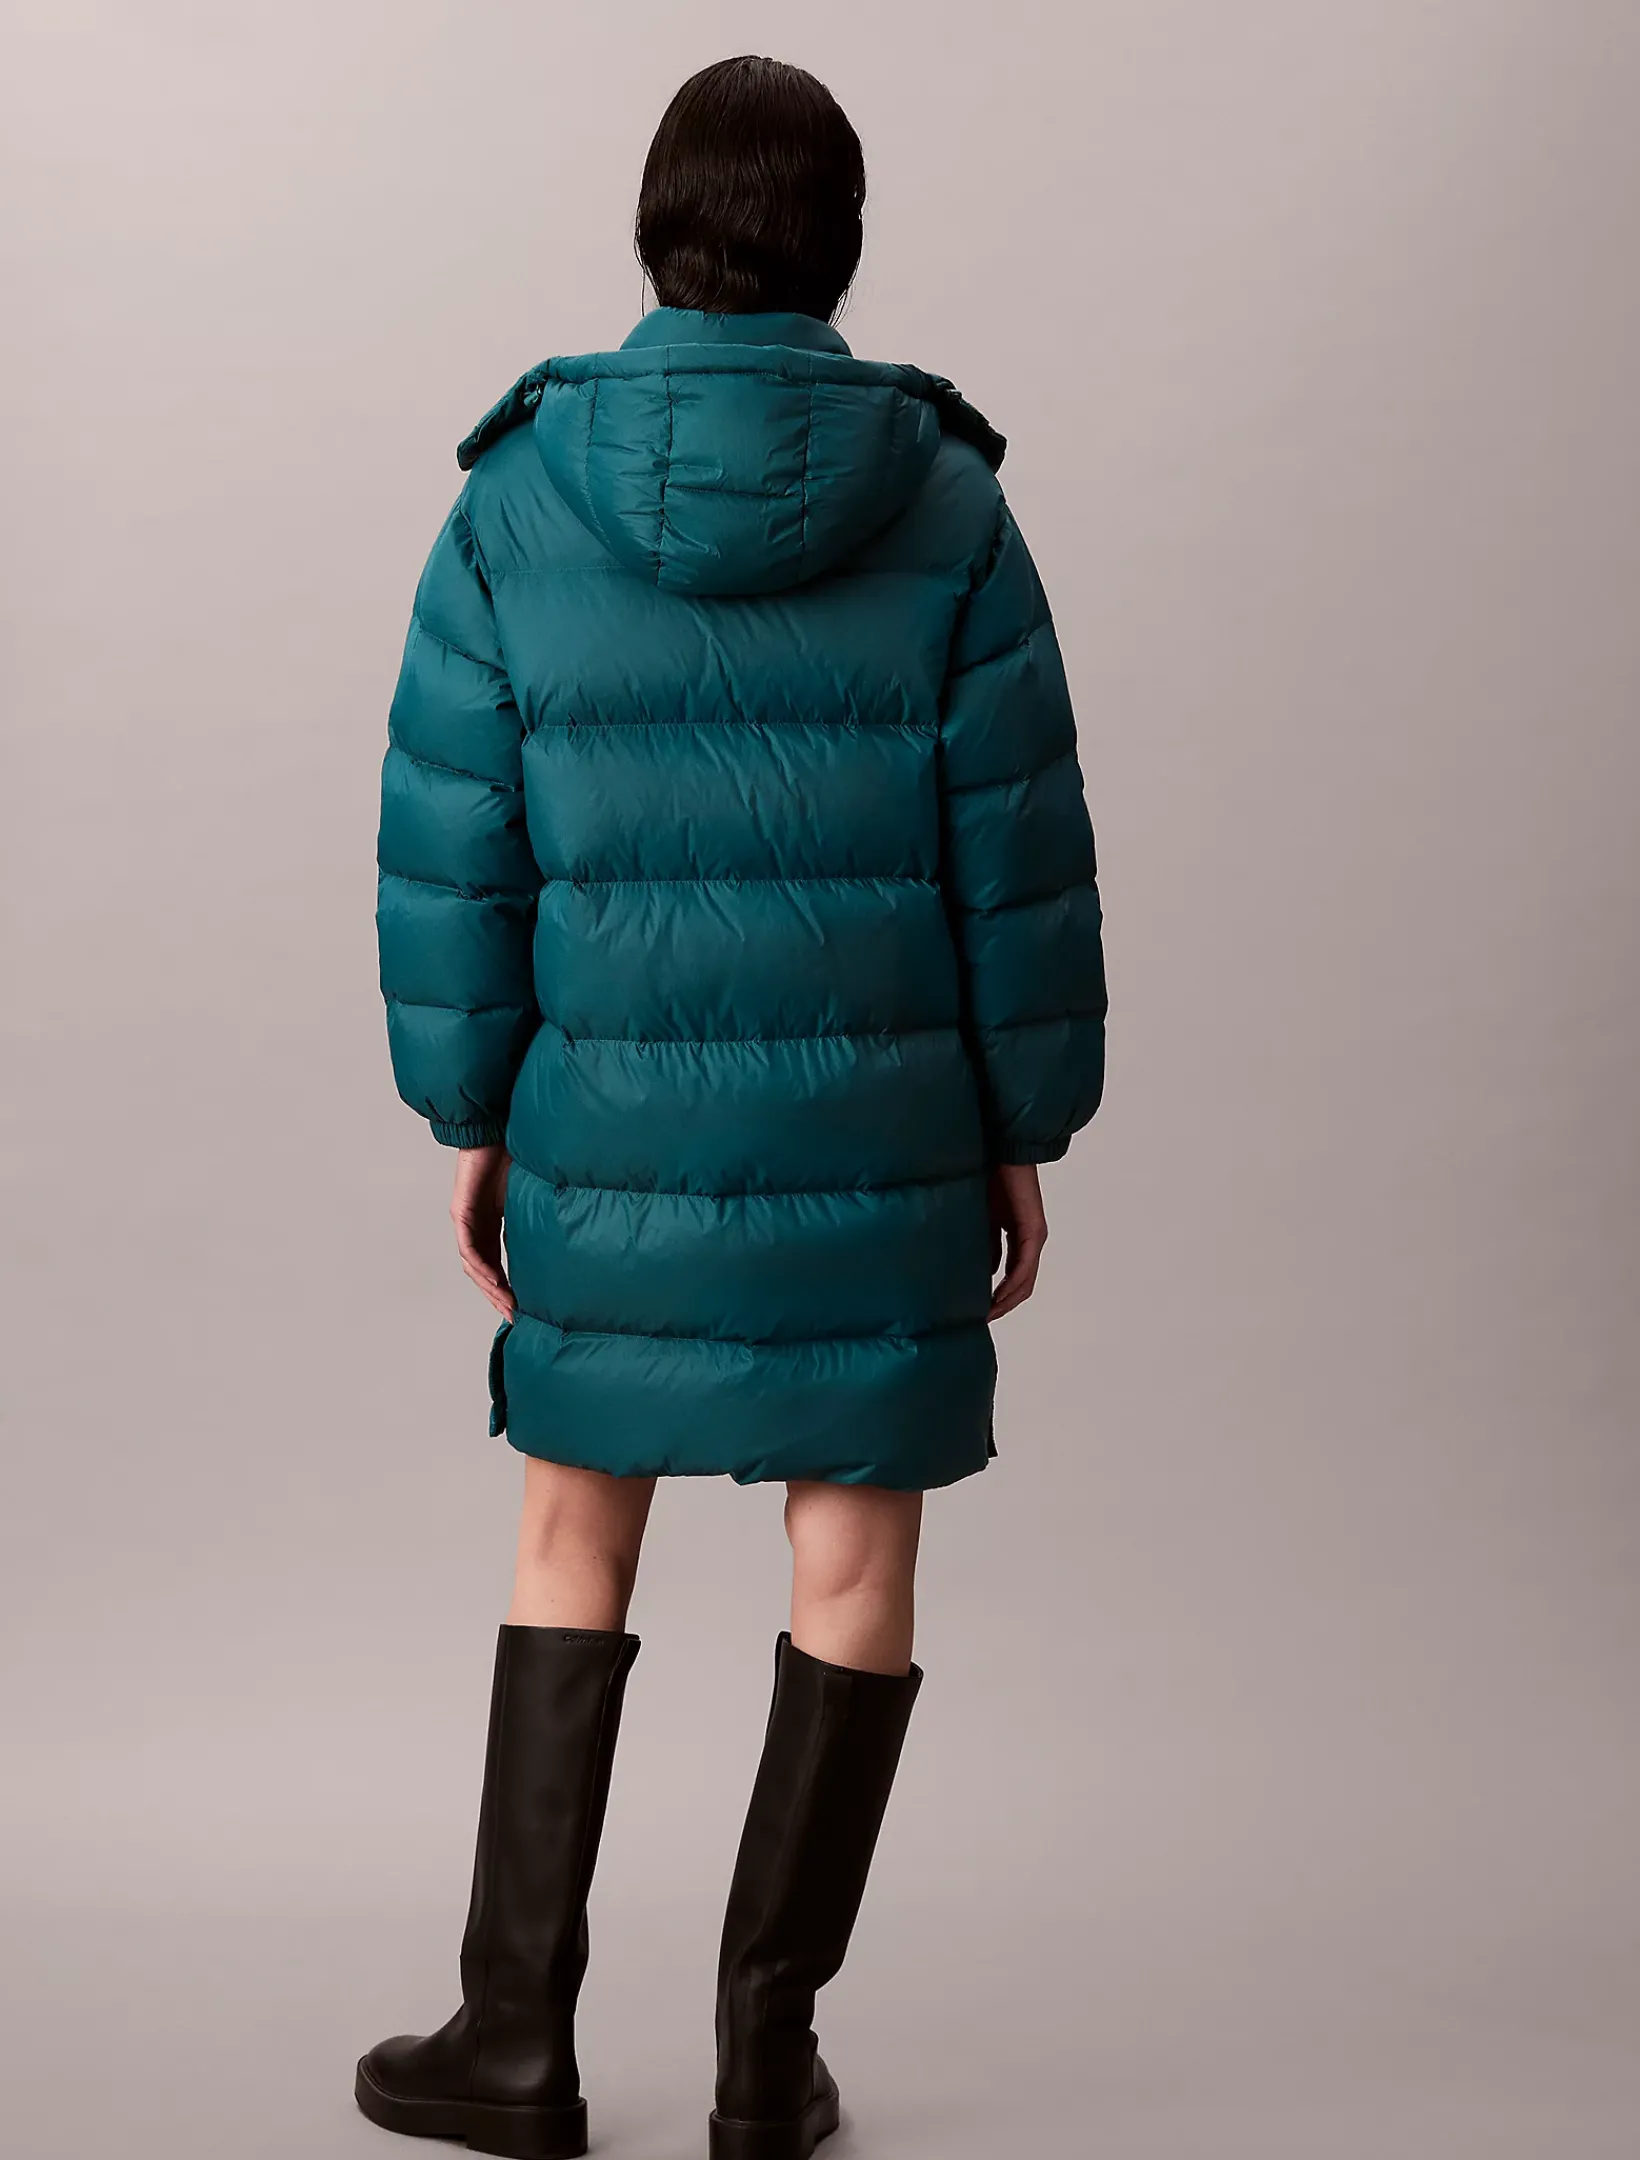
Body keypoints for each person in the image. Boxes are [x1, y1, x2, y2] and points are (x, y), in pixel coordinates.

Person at [355, 51, 1107, 2160]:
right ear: (840, 247)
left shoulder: (515, 500)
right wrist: (1021, 1125)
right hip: (884, 1141)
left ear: (653, 236)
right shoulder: (952, 506)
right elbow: (1017, 854)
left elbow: (453, 849)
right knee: (852, 1561)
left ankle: (516, 2042)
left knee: (567, 1531)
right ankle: (766, 2065)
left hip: (605, 1121)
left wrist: (473, 1111)